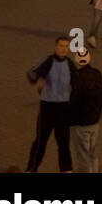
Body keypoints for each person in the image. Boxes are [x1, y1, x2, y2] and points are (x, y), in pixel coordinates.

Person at [26, 35, 75, 173]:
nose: (64, 49)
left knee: (64, 143)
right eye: (61, 46)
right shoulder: (48, 61)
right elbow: (31, 73)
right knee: (40, 141)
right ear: (55, 47)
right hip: (47, 107)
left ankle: (66, 169)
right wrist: (37, 80)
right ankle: (32, 168)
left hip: (63, 108)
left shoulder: (70, 64)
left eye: (66, 47)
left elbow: (77, 82)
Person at [70, 49, 102, 173]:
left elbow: (73, 102)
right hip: (95, 121)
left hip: (80, 124)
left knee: (83, 157)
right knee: (93, 154)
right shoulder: (97, 74)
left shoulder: (76, 78)